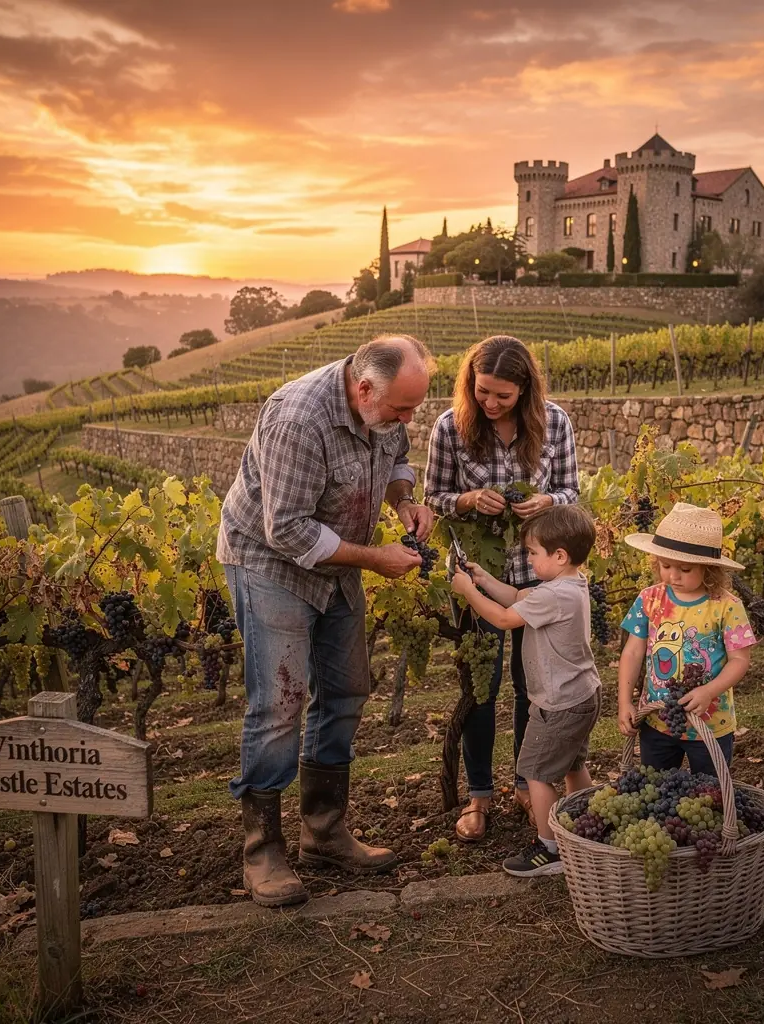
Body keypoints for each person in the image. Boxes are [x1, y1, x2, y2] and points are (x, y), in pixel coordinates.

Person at [217, 335, 435, 907]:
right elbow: (286, 529)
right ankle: (262, 849)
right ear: (363, 390)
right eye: (401, 409)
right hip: (270, 563)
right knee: (280, 703)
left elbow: (397, 458)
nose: (408, 420)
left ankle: (323, 830)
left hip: (336, 561)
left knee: (346, 690)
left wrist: (404, 501)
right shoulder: (299, 420)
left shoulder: (387, 406)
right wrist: (374, 558)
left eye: (413, 408)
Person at [424, 335, 579, 842]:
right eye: (482, 391)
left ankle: (525, 783)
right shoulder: (449, 427)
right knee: (481, 688)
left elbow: (571, 491)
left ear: (525, 390)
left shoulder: (555, 423)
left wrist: (547, 502)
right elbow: (433, 497)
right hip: (478, 575)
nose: (490, 402)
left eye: (502, 395)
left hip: (540, 575)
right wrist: (468, 501)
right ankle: (479, 795)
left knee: (534, 686)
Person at [450, 504, 601, 876]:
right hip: (583, 695)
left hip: (558, 703)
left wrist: (468, 591)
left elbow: (504, 618)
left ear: (559, 556)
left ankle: (550, 849)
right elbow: (519, 598)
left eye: (533, 553)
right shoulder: (570, 585)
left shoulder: (553, 596)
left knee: (535, 771)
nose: (529, 560)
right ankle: (590, 823)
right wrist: (483, 579)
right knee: (573, 764)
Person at [616, 502, 757, 772]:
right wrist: (624, 701)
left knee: (709, 790)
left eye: (685, 569)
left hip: (710, 724)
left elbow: (740, 660)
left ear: (708, 568)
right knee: (657, 789)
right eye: (665, 565)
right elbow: (632, 652)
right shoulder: (649, 599)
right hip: (657, 720)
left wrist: (709, 691)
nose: (673, 575)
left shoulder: (727, 606)